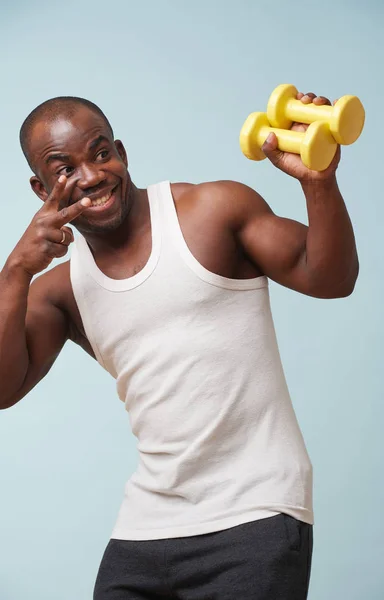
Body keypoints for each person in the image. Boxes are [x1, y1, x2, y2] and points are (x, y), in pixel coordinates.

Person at [0, 92, 358, 600]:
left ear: (121, 152)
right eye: (64, 170)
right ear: (40, 189)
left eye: (101, 154)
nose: (92, 175)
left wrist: (319, 182)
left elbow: (330, 277)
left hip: (254, 516)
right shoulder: (60, 291)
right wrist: (15, 271)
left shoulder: (212, 210)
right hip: (145, 532)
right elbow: (3, 388)